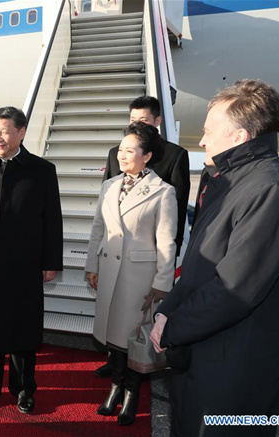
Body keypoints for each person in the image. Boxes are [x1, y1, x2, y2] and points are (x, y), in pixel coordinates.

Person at [151, 79, 279, 437]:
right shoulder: (227, 181)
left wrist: (171, 327)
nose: (202, 141)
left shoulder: (275, 190)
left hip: (235, 369)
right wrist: (168, 308)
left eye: (208, 132)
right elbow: (198, 267)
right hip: (204, 353)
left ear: (239, 136)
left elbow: (235, 288)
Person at [0, 106, 63, 414]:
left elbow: (52, 220)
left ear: (21, 132)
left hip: (26, 263)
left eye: (5, 131)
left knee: (23, 327)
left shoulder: (41, 170)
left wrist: (50, 262)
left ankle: (23, 388)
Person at [85, 122, 177, 425]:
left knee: (132, 338)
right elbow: (98, 229)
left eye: (129, 150)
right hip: (110, 271)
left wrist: (162, 284)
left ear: (147, 155)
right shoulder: (109, 185)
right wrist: (91, 265)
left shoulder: (163, 192)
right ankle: (115, 387)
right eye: (120, 150)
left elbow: (166, 242)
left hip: (139, 278)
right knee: (113, 337)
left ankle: (132, 393)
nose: (122, 155)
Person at [96, 95, 190, 379]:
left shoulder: (174, 155)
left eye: (143, 121)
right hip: (116, 251)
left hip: (145, 253)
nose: (137, 125)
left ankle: (135, 370)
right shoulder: (117, 152)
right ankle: (114, 364)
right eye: (133, 120)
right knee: (112, 311)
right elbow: (106, 206)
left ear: (157, 121)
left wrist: (168, 261)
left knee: (135, 317)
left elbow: (178, 207)